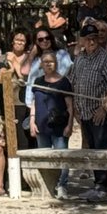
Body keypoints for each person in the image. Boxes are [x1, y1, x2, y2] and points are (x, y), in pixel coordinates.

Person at [68, 22, 107, 200]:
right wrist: (74, 109)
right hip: (83, 111)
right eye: (88, 38)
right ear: (82, 40)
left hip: (99, 112)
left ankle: (102, 186)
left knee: (101, 148)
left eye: (94, 38)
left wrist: (104, 108)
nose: (92, 41)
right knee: (90, 148)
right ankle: (97, 184)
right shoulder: (79, 58)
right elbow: (73, 83)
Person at [30, 51, 75, 199]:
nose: (48, 64)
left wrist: (70, 125)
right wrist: (32, 121)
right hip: (41, 125)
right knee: (43, 155)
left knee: (62, 156)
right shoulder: (38, 81)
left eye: (51, 61)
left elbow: (70, 105)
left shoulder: (64, 82)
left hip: (59, 125)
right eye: (45, 61)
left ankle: (62, 185)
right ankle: (46, 185)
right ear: (41, 64)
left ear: (56, 63)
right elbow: (34, 103)